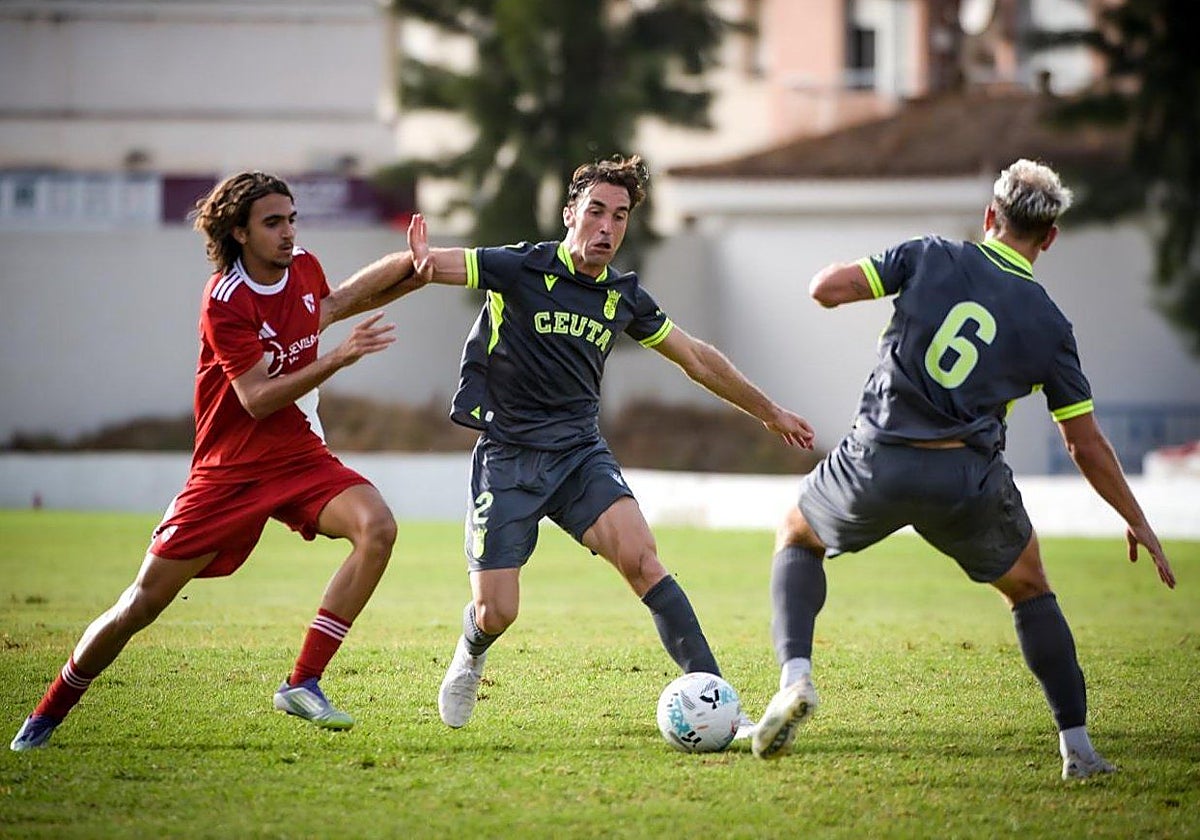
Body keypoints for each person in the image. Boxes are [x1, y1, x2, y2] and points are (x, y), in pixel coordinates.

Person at [750, 159, 1177, 780]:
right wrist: (1135, 518)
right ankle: (1078, 750)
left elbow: (826, 289)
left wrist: (861, 274)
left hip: (879, 459)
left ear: (989, 216)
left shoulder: (928, 255)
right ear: (1050, 237)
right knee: (1031, 588)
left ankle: (795, 678)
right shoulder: (1051, 325)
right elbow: (1084, 443)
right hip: (965, 480)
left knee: (797, 532)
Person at [11, 171, 424, 751]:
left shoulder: (304, 267)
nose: (288, 232)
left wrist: (418, 266)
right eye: (273, 223)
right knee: (140, 604)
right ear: (239, 232)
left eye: (291, 219)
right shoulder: (224, 299)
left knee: (377, 527)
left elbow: (338, 302)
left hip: (298, 456)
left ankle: (302, 682)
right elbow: (256, 400)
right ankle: (47, 712)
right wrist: (338, 359)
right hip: (227, 472)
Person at [405, 154, 816, 731]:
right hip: (509, 457)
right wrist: (416, 266)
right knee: (497, 611)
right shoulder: (521, 267)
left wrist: (768, 412)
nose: (607, 227)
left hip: (579, 455)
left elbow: (696, 358)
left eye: (619, 217)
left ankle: (723, 704)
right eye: (596, 211)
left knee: (644, 561)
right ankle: (471, 651)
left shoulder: (623, 295)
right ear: (570, 214)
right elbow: (439, 265)